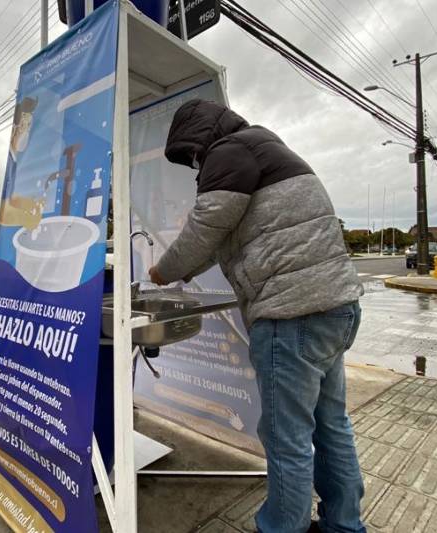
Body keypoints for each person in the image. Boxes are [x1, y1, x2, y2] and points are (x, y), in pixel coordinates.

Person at [148, 99, 365, 533]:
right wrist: (187, 271)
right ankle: (344, 525)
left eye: (192, 155)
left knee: (287, 440)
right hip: (335, 308)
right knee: (331, 426)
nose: (195, 165)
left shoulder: (229, 152)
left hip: (291, 315)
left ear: (200, 138)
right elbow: (229, 235)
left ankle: (281, 527)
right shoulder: (266, 147)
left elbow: (206, 228)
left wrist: (162, 271)